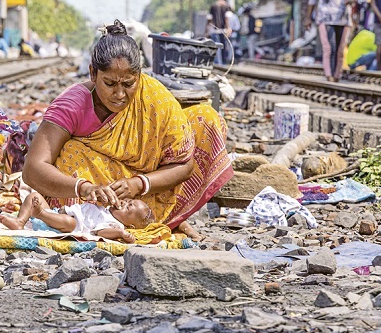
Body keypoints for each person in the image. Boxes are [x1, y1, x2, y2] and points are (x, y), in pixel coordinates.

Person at [22, 20, 233, 240]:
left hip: (145, 193)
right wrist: (84, 188)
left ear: (139, 75)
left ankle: (164, 219)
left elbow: (184, 165)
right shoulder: (72, 105)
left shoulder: (154, 96)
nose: (120, 94)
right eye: (110, 84)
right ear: (93, 74)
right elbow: (33, 169)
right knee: (71, 153)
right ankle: (103, 223)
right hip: (98, 195)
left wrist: (139, 184)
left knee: (206, 118)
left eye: (128, 84)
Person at [0, 191, 153, 243]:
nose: (123, 203)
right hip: (56, 214)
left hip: (68, 226)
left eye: (128, 207)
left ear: (129, 225)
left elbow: (100, 233)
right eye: (127, 201)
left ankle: (40, 213)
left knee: (70, 223)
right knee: (34, 195)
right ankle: (20, 222)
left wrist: (120, 234)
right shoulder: (106, 209)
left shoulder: (115, 224)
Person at [206, 0, 231, 64]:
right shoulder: (226, 6)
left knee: (217, 47)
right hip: (224, 30)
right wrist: (228, 28)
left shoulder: (213, 6)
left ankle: (218, 63)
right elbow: (227, 18)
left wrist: (207, 30)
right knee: (224, 47)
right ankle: (223, 63)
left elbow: (209, 19)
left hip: (215, 30)